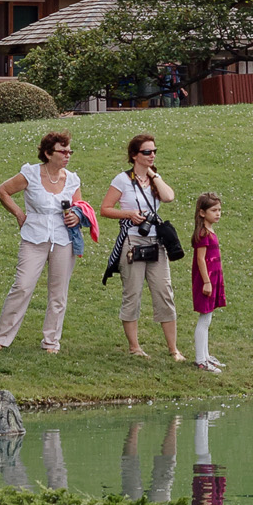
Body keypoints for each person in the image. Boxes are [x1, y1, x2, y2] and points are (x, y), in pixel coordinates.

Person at [0, 129, 83, 354]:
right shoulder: (30, 174)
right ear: (48, 153)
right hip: (34, 238)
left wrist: (76, 215)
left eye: (70, 151)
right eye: (63, 151)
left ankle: (51, 342)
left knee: (58, 292)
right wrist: (20, 215)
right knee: (22, 286)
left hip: (63, 239)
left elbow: (81, 206)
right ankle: (0, 338)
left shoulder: (72, 179)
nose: (68, 155)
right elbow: (2, 191)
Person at [105, 130, 185, 362]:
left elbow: (169, 197)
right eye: (147, 152)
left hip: (156, 242)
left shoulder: (154, 179)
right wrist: (129, 214)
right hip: (133, 240)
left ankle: (173, 349)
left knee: (164, 292)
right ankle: (134, 347)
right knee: (133, 293)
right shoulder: (122, 179)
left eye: (154, 152)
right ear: (134, 155)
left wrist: (153, 175)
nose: (152, 155)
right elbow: (106, 208)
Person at [188, 191, 229, 372]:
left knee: (208, 318)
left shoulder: (211, 231)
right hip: (207, 280)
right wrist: (206, 282)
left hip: (213, 279)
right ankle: (200, 359)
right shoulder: (203, 234)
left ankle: (205, 355)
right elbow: (200, 259)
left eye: (219, 210)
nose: (218, 213)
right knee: (204, 319)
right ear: (202, 213)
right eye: (214, 210)